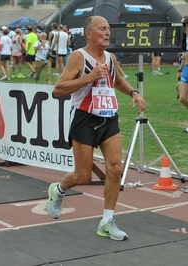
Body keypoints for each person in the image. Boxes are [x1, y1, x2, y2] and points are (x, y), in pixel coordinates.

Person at [47, 16, 146, 241]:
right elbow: (58, 90)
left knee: (115, 168)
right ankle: (59, 190)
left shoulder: (110, 57)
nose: (107, 33)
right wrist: (89, 77)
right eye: (102, 29)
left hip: (108, 117)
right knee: (83, 176)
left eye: (108, 29)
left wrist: (134, 93)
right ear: (89, 34)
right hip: (84, 118)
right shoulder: (78, 57)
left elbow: (117, 80)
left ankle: (107, 221)